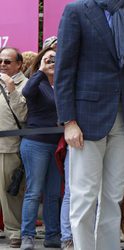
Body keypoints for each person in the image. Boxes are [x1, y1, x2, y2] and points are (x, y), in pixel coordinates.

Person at [54, 0, 124, 249]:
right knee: (84, 198)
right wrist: (69, 121)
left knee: (113, 198)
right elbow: (64, 70)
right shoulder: (77, 11)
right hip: (86, 120)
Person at [20, 47, 62, 250]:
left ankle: (52, 235)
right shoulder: (38, 82)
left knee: (53, 193)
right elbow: (26, 92)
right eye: (48, 59)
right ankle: (27, 236)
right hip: (35, 143)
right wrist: (41, 70)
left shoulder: (64, 83)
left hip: (58, 145)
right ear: (40, 62)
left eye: (56, 59)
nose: (52, 62)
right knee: (34, 192)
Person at [0, 47, 28, 248]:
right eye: (0, 61)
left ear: (19, 64)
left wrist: (11, 88)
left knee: (10, 193)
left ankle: (14, 232)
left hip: (9, 146)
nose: (2, 64)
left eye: (7, 61)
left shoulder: (26, 84)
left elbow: (24, 116)